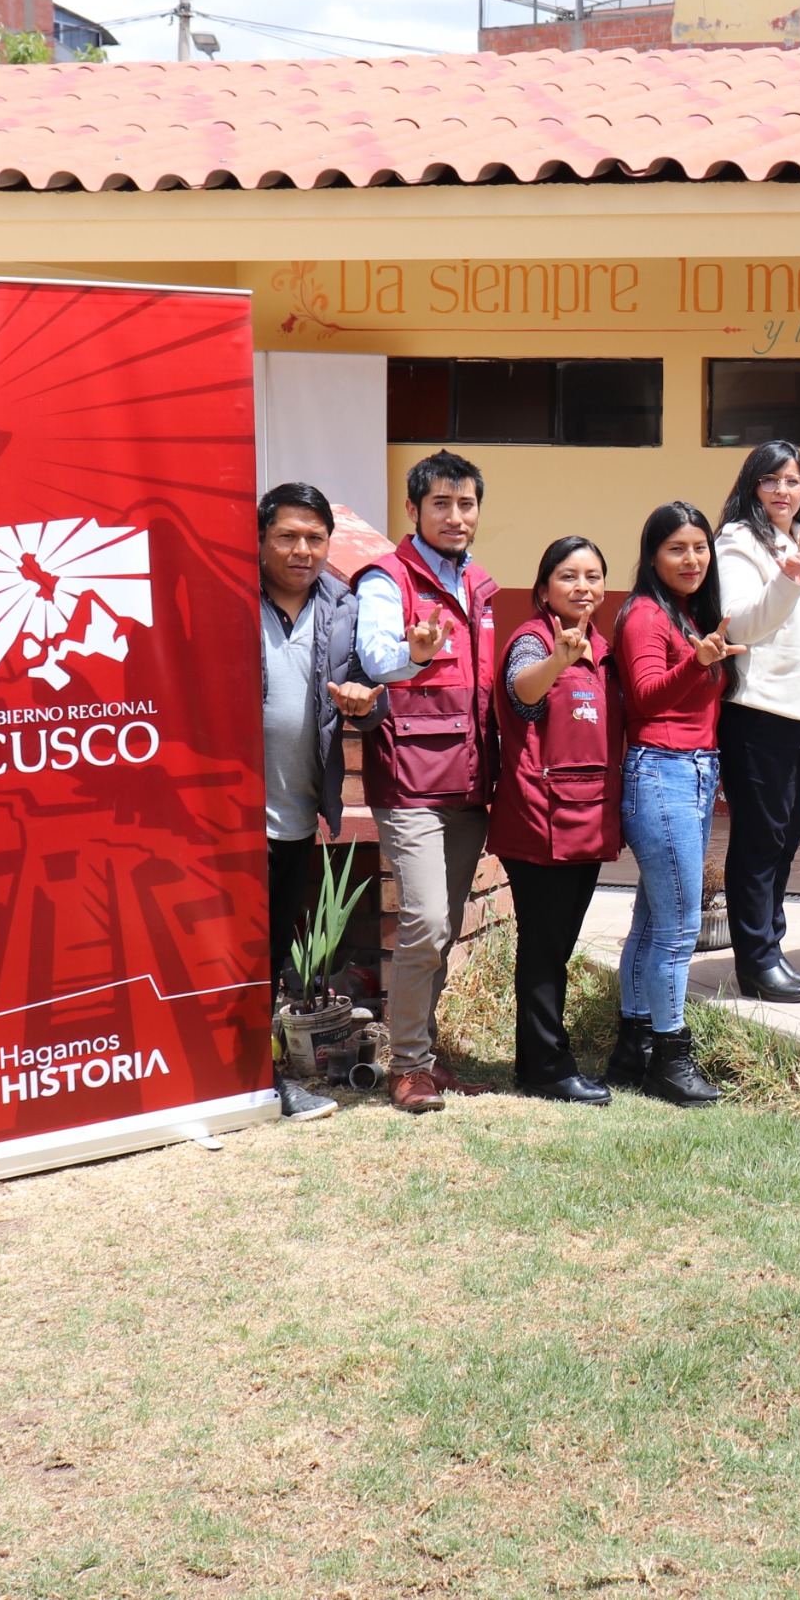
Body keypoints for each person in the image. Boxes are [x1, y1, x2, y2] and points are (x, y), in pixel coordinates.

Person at [355, 450, 501, 1115]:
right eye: (440, 503)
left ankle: (426, 1057)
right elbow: (379, 659)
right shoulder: (389, 578)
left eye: (466, 503)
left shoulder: (480, 584)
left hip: (467, 781)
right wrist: (413, 653)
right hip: (409, 779)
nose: (455, 515)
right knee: (423, 923)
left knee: (440, 926)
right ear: (412, 511)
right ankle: (407, 1065)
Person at [491, 537, 621, 1106]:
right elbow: (523, 692)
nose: (583, 588)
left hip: (587, 818)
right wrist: (557, 661)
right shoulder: (532, 641)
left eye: (593, 577)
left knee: (558, 946)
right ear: (543, 588)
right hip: (538, 817)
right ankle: (545, 1066)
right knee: (543, 947)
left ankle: (541, 1058)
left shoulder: (603, 647)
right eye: (569, 577)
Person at [258, 481, 373, 1124]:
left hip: (296, 815)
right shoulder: (230, 599)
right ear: (261, 540)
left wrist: (364, 700)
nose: (302, 550)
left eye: (315, 538)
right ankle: (219, 1075)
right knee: (223, 954)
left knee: (271, 953)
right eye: (287, 536)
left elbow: (367, 685)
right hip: (223, 819)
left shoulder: (344, 606)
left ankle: (261, 1078)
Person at [613, 502, 733, 1108]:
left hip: (690, 773)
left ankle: (632, 1046)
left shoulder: (688, 613)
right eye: (677, 549)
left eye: (700, 548)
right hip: (661, 772)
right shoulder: (643, 615)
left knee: (655, 921)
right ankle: (671, 1056)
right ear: (652, 556)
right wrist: (698, 662)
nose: (692, 560)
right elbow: (644, 697)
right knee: (681, 927)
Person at [715, 441, 800, 1004]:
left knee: (787, 834)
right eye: (772, 480)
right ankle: (755, 961)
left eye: (794, 481)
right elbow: (742, 623)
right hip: (760, 708)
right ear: (751, 485)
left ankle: (772, 946)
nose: (784, 491)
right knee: (761, 836)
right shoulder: (739, 542)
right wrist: (786, 581)